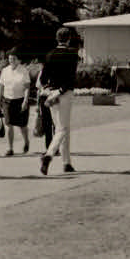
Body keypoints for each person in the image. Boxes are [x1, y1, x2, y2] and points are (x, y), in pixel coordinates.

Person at [37, 27, 80, 175]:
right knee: (62, 129)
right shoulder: (73, 55)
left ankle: (66, 162)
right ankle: (48, 155)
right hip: (64, 93)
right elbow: (71, 79)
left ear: (57, 38)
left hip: (51, 93)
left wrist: (49, 90)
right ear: (68, 39)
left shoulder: (49, 55)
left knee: (61, 128)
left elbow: (42, 79)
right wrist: (60, 91)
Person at [0, 47, 32, 156]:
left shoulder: (23, 70)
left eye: (13, 59)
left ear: (18, 60)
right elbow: (1, 88)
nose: (11, 61)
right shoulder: (5, 71)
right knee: (9, 125)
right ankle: (10, 148)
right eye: (10, 59)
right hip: (7, 101)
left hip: (20, 100)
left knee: (22, 125)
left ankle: (26, 141)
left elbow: (27, 87)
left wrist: (25, 101)